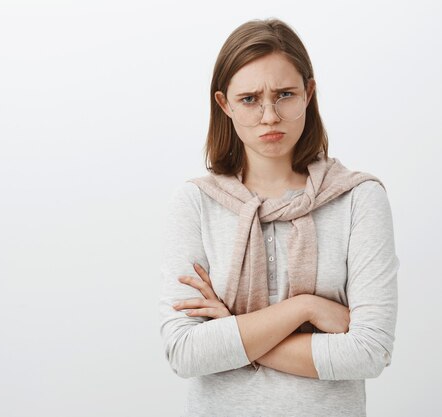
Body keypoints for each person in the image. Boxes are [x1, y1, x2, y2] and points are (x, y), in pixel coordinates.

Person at [158, 18, 399, 416]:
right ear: (225, 104)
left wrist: (232, 330)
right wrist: (303, 308)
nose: (269, 115)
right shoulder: (196, 203)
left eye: (284, 94)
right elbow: (185, 353)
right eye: (250, 98)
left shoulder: (359, 199)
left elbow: (369, 352)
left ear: (308, 93)